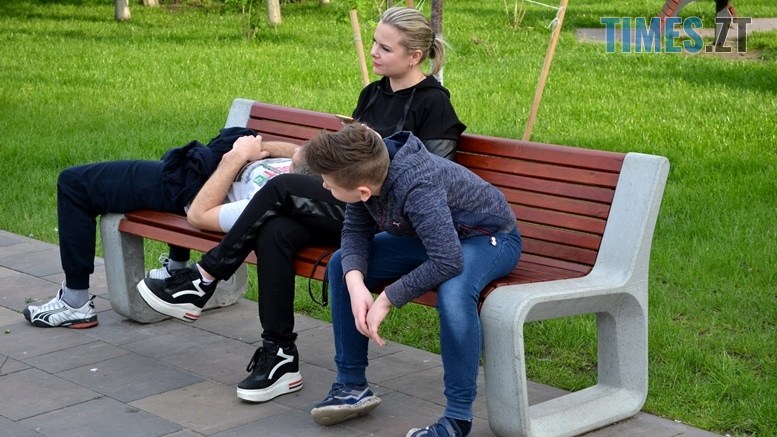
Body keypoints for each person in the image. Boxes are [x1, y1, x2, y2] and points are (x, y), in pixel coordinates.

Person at [137, 6, 466, 405]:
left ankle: (204, 277)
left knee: (282, 190)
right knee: (275, 230)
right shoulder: (373, 94)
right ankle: (279, 354)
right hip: (355, 207)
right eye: (374, 43)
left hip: (393, 219)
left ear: (414, 56)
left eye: (385, 47)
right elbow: (346, 159)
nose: (373, 52)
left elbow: (430, 179)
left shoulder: (435, 104)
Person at [302, 124, 522, 437]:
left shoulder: (417, 185)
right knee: (342, 265)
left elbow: (448, 261)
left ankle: (457, 419)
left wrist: (387, 298)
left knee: (454, 292)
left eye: (328, 182)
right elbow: (355, 232)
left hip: (489, 238)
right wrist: (356, 284)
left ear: (362, 191)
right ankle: (351, 386)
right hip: (435, 237)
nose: (324, 185)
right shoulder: (367, 168)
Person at [22, 128, 292, 328]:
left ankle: (75, 303)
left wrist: (237, 156)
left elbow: (199, 213)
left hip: (199, 188)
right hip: (211, 170)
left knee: (74, 184)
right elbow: (302, 152)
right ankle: (176, 268)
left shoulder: (277, 199)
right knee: (173, 168)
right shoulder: (310, 170)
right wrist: (256, 148)